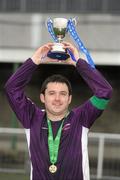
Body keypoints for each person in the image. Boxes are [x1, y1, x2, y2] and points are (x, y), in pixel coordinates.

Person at [5, 42, 113, 180]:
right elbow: (11, 89)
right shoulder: (31, 117)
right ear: (42, 97)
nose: (57, 98)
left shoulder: (81, 118)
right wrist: (34, 60)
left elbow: (105, 92)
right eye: (51, 93)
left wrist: (78, 63)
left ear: (69, 99)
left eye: (63, 93)